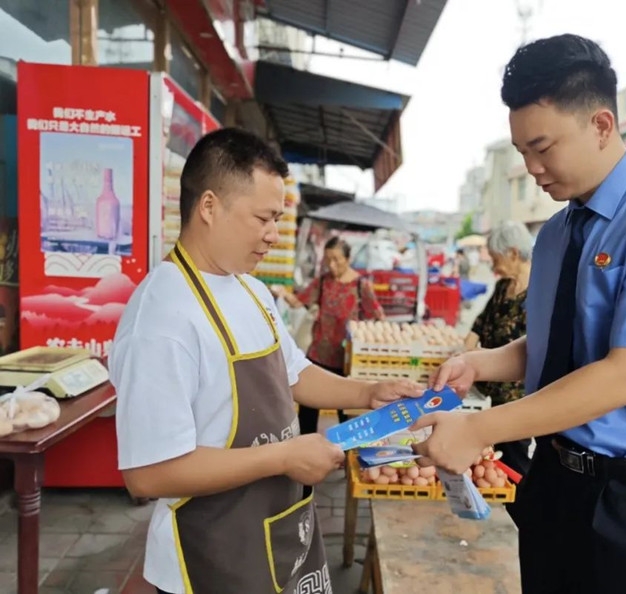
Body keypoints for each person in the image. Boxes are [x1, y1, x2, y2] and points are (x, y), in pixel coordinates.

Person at [411, 34, 626, 594]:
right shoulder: (557, 233)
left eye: (543, 147)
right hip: (556, 475)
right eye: (521, 153)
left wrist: (480, 427)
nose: (532, 168)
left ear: (602, 125)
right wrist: (479, 364)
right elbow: (560, 345)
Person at [109, 127, 422, 594]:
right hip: (207, 555)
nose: (274, 235)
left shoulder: (252, 291)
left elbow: (293, 373)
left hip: (277, 528)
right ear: (209, 206)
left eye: (278, 218)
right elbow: (149, 472)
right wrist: (283, 456)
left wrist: (367, 392)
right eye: (264, 218)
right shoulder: (162, 318)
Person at [277, 236, 385, 435]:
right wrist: (280, 293)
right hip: (319, 354)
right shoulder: (323, 282)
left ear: (348, 258)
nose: (332, 265)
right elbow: (299, 302)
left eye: (337, 260)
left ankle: (347, 455)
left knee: (347, 413)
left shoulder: (361, 285)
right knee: (308, 411)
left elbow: (378, 318)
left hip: (346, 359)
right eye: (328, 260)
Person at [464, 220, 533, 478]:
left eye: (496, 259)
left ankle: (523, 507)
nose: (493, 266)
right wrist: (462, 353)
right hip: (488, 389)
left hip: (517, 396)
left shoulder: (541, 291)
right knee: (491, 457)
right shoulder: (503, 287)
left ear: (514, 253)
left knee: (513, 458)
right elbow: (480, 324)